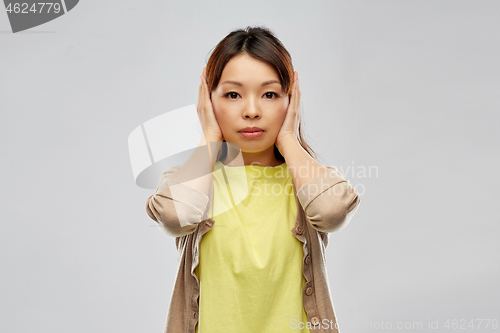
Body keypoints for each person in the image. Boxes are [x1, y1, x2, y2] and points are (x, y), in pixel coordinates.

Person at [146, 26, 361, 333]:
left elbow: (331, 212)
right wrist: (210, 138)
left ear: (291, 101)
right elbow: (172, 216)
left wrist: (288, 138)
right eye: (232, 94)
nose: (251, 111)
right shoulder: (193, 182)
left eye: (270, 94)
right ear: (208, 101)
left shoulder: (308, 182)